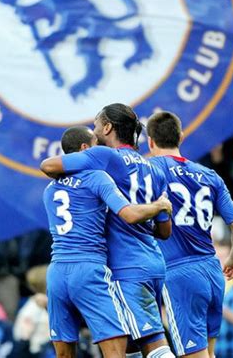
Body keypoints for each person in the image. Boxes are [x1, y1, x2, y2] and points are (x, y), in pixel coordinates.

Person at [41, 104, 175, 358]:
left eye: (95, 126)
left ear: (107, 127)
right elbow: (164, 231)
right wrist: (156, 208)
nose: (94, 132)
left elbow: (49, 166)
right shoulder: (154, 169)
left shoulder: (102, 159)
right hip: (153, 262)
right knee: (133, 346)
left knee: (153, 344)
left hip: (124, 268)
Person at [146, 111, 233, 358]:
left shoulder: (148, 171)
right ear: (181, 136)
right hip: (212, 269)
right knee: (209, 354)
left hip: (179, 273)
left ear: (150, 142)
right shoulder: (210, 175)